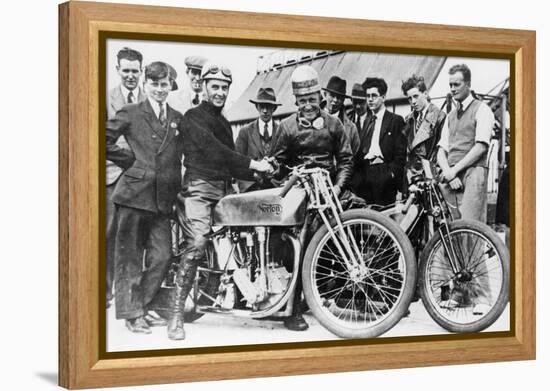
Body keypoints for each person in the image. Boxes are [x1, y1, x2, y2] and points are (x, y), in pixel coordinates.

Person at [167, 62, 274, 340]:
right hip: (199, 189)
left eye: (224, 88)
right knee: (199, 241)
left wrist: (261, 171)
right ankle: (176, 316)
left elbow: (232, 165)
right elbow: (215, 152)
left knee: (251, 230)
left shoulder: (225, 123)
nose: (219, 92)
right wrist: (253, 162)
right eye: (214, 87)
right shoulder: (192, 118)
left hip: (223, 189)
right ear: (204, 87)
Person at [270, 65, 354, 331]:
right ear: (296, 101)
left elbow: (346, 159)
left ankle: (330, 298)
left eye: (312, 99)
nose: (308, 105)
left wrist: (338, 188)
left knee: (340, 246)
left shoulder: (334, 124)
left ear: (320, 96)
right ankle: (292, 310)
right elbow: (277, 164)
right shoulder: (286, 127)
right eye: (302, 100)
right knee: (300, 249)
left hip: (330, 195)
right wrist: (288, 182)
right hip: (300, 197)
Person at [106, 61, 182, 334]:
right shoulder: (131, 112)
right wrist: (129, 160)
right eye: (155, 84)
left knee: (163, 256)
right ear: (146, 84)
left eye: (165, 85)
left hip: (162, 200)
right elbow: (101, 136)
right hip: (134, 196)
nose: (160, 90)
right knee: (129, 258)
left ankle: (143, 304)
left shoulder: (176, 117)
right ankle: (131, 314)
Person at [106, 47, 147, 308]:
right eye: (126, 71)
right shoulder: (106, 98)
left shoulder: (149, 98)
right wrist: (127, 158)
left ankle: (134, 292)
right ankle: (106, 292)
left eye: (135, 71)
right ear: (118, 70)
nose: (131, 76)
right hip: (112, 174)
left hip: (140, 179)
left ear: (142, 72)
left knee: (136, 235)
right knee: (110, 233)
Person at [437, 64, 494, 223]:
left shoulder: (482, 110)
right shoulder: (450, 116)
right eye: (450, 85)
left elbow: (481, 147)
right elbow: (441, 151)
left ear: (468, 84)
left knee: (470, 226)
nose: (453, 89)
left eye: (457, 84)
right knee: (450, 229)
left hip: (473, 173)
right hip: (451, 177)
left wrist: (454, 170)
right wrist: (449, 173)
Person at [351, 77, 406, 207]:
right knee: (366, 219)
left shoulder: (395, 120)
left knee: (383, 218)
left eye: (374, 96)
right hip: (365, 176)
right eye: (368, 96)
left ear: (383, 97)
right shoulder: (367, 122)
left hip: (384, 175)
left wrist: (391, 174)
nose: (370, 99)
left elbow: (401, 153)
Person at [235, 87, 282, 191]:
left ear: (274, 108)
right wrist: (248, 186)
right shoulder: (245, 132)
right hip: (251, 189)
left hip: (276, 190)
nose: (265, 111)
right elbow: (237, 163)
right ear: (256, 107)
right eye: (262, 106)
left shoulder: (282, 131)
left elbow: (286, 164)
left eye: (268, 107)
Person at [401, 75, 446, 178]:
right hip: (410, 177)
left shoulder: (440, 117)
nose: (413, 102)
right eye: (409, 98)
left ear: (425, 94)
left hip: (431, 176)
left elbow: (442, 151)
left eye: (416, 96)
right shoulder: (408, 119)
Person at [322, 76, 361, 155]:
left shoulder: (351, 129)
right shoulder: (310, 119)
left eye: (339, 97)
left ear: (343, 100)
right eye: (332, 95)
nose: (335, 100)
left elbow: (355, 157)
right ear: (325, 94)